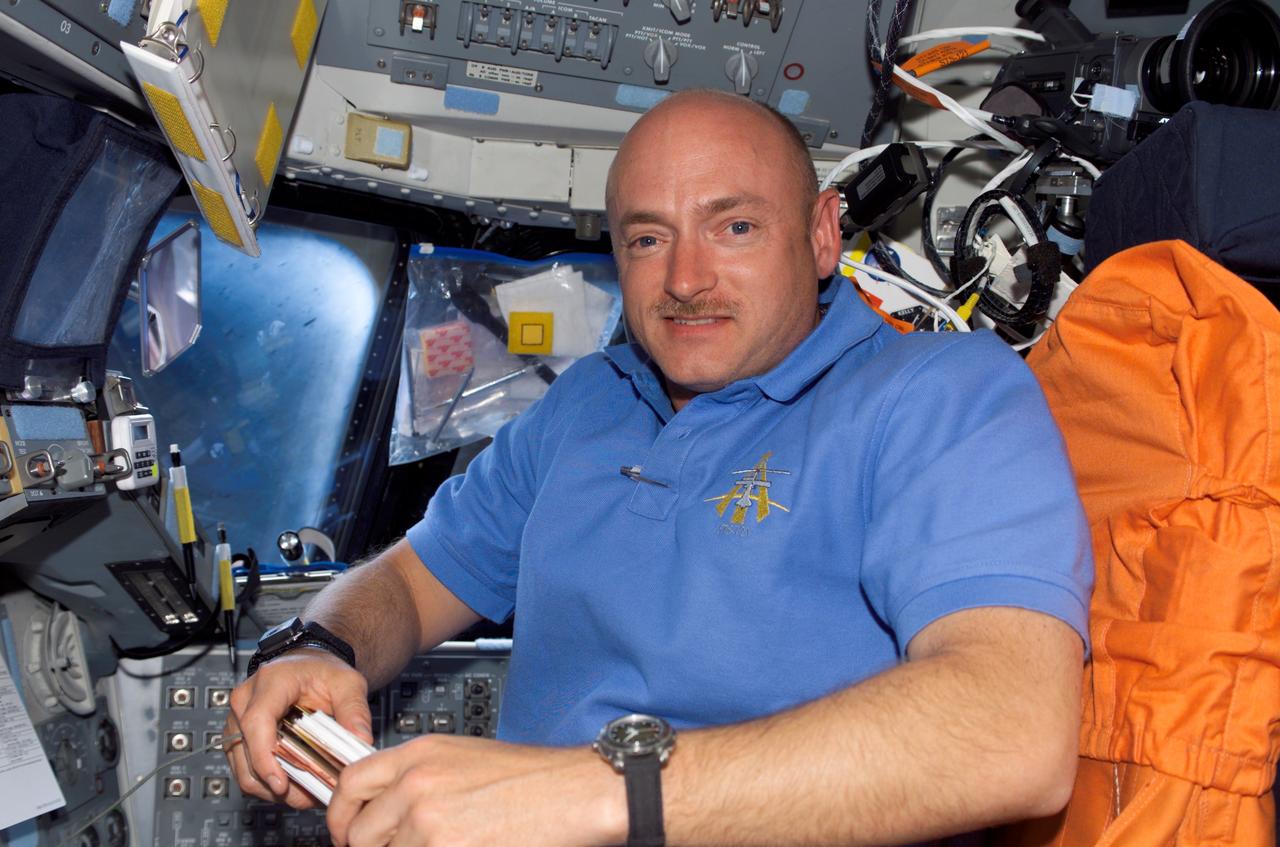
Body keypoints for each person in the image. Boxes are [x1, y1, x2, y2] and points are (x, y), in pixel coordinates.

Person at [224, 89, 1092, 847]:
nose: (685, 278)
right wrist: (322, 642)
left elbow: (1010, 731)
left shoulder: (942, 394)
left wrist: (594, 792)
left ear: (824, 235)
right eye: (647, 238)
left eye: (735, 226)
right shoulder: (586, 403)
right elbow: (414, 580)